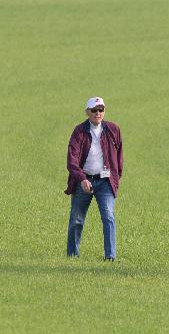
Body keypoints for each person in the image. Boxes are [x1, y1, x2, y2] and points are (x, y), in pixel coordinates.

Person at [65, 97, 123, 261]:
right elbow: (72, 160)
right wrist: (82, 179)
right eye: (94, 110)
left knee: (109, 218)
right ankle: (72, 256)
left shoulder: (113, 130)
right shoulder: (79, 131)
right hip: (84, 181)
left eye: (101, 109)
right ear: (87, 112)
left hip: (105, 182)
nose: (98, 113)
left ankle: (110, 257)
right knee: (76, 219)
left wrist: (116, 180)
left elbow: (119, 158)